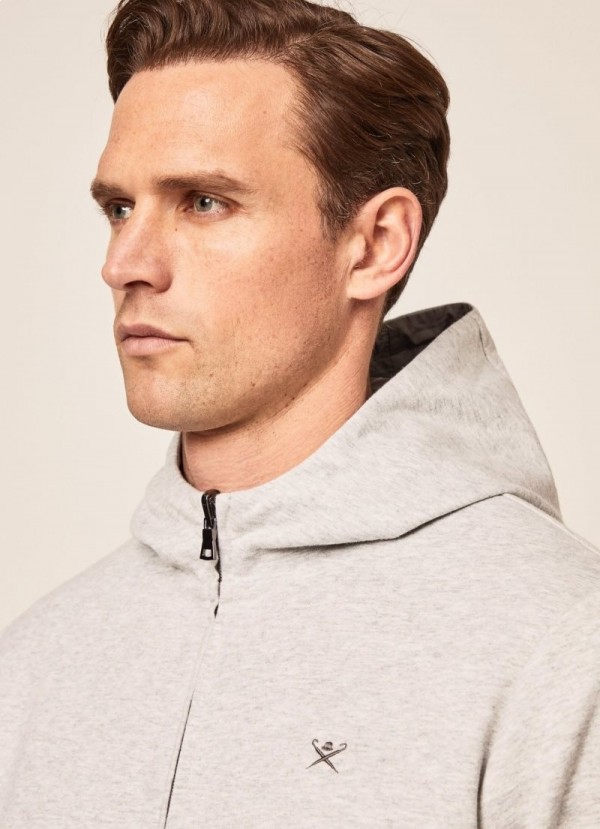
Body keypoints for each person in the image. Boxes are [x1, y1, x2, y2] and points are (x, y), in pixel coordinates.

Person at [1, 0, 599, 825]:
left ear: (376, 243)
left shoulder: (559, 643)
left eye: (203, 202)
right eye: (120, 208)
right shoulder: (36, 664)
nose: (124, 263)